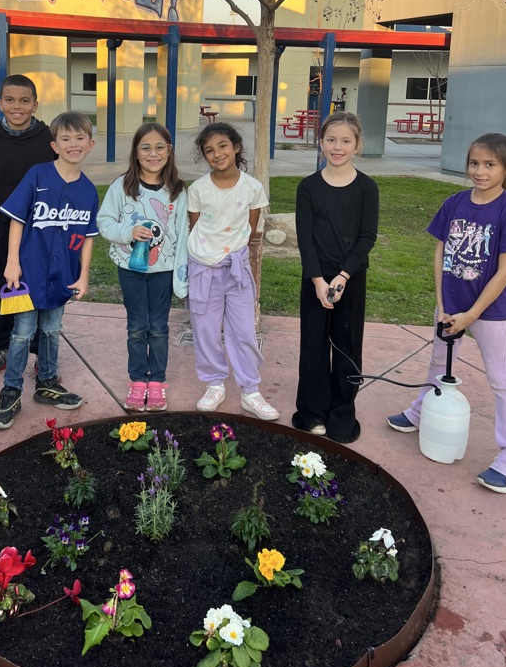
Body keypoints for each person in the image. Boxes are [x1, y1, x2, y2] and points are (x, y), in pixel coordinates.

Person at [387, 133, 506, 494]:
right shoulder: (454, 203)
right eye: (474, 163)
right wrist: (443, 304)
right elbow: (441, 253)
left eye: (489, 164)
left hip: (489, 312)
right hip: (450, 306)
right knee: (438, 361)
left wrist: (471, 315)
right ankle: (423, 410)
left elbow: (505, 272)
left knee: (500, 379)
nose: (479, 171)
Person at [0, 112, 98, 430]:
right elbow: (17, 220)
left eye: (80, 138)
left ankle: (47, 383)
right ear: (54, 144)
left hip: (63, 276)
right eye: (65, 138)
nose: (73, 144)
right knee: (22, 333)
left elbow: (88, 239)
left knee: (51, 330)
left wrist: (84, 275)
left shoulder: (89, 191)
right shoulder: (38, 175)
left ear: (90, 144)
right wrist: (12, 262)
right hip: (29, 273)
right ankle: (11, 391)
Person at [292, 112, 379, 443]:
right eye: (331, 140)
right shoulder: (308, 187)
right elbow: (305, 237)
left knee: (347, 345)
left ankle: (343, 411)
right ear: (321, 142)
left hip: (351, 278)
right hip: (314, 278)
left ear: (357, 145)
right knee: (313, 345)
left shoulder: (367, 188)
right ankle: (312, 410)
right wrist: (318, 281)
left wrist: (342, 277)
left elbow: (366, 237)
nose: (337, 147)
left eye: (346, 141)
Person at [187, 122, 279, 421]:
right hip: (203, 270)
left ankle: (250, 391)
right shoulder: (199, 189)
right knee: (206, 331)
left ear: (236, 147)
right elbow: (195, 226)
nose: (217, 154)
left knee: (243, 332)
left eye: (222, 146)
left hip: (237, 269)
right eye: (209, 150)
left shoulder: (252, 187)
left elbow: (250, 229)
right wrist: (209, 256)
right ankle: (214, 384)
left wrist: (231, 253)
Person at [0, 74, 56, 379]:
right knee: (7, 288)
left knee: (41, 290)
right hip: (4, 232)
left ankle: (41, 352)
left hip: (43, 233)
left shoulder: (48, 140)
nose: (17, 106)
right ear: (0, 103)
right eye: (10, 100)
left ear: (35, 104)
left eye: (24, 100)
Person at [97, 123, 189, 412]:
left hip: (162, 271)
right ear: (136, 153)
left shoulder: (177, 190)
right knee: (137, 327)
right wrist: (129, 231)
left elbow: (184, 233)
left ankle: (157, 381)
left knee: (159, 328)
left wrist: (181, 275)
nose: (153, 153)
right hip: (131, 269)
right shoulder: (122, 187)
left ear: (169, 151)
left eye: (160, 147)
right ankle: (138, 380)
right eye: (145, 147)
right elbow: (105, 222)